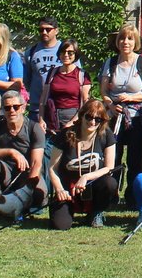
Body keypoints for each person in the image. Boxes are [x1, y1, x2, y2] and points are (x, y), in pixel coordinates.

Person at [47, 98, 118, 229]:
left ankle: (96, 212)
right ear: (82, 115)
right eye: (89, 117)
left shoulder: (106, 135)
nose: (92, 122)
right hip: (68, 188)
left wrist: (86, 177)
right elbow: (52, 168)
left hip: (93, 185)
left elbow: (109, 167)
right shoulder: (66, 134)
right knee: (61, 225)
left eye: (98, 119)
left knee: (110, 183)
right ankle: (66, 209)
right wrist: (59, 189)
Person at [0, 89, 46, 216]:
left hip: (26, 175)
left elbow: (36, 163)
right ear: (2, 110)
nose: (11, 110)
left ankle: (27, 204)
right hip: (4, 172)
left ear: (23, 108)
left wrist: (28, 189)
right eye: (7, 108)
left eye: (16, 107)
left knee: (40, 193)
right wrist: (11, 152)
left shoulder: (34, 128)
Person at [101, 25, 142, 186]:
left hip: (137, 118)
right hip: (113, 117)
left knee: (135, 156)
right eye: (122, 38)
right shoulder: (110, 63)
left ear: (136, 42)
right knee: (113, 155)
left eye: (130, 38)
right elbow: (104, 91)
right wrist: (110, 106)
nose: (126, 42)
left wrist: (130, 97)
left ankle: (132, 194)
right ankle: (111, 192)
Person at [40, 37, 91, 138]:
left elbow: (85, 102)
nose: (66, 55)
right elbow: (43, 98)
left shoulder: (82, 75)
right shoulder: (52, 73)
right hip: (52, 117)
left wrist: (73, 122)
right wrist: (41, 119)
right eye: (63, 52)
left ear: (76, 54)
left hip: (73, 115)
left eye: (70, 52)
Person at [22, 17, 63, 116]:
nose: (44, 32)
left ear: (56, 30)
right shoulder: (31, 52)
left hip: (60, 108)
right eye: (41, 30)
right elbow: (26, 80)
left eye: (48, 29)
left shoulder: (66, 51)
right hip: (36, 109)